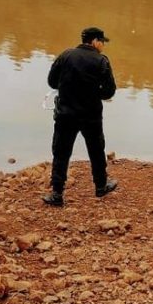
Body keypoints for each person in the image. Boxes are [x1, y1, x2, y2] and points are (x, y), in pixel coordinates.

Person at [43, 26, 118, 206]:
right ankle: (101, 186)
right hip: (90, 114)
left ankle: (56, 194)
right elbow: (109, 91)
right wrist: (92, 93)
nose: (103, 46)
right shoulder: (101, 61)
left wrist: (68, 88)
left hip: (66, 113)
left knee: (61, 152)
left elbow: (52, 81)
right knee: (96, 149)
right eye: (102, 42)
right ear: (94, 41)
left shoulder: (66, 55)